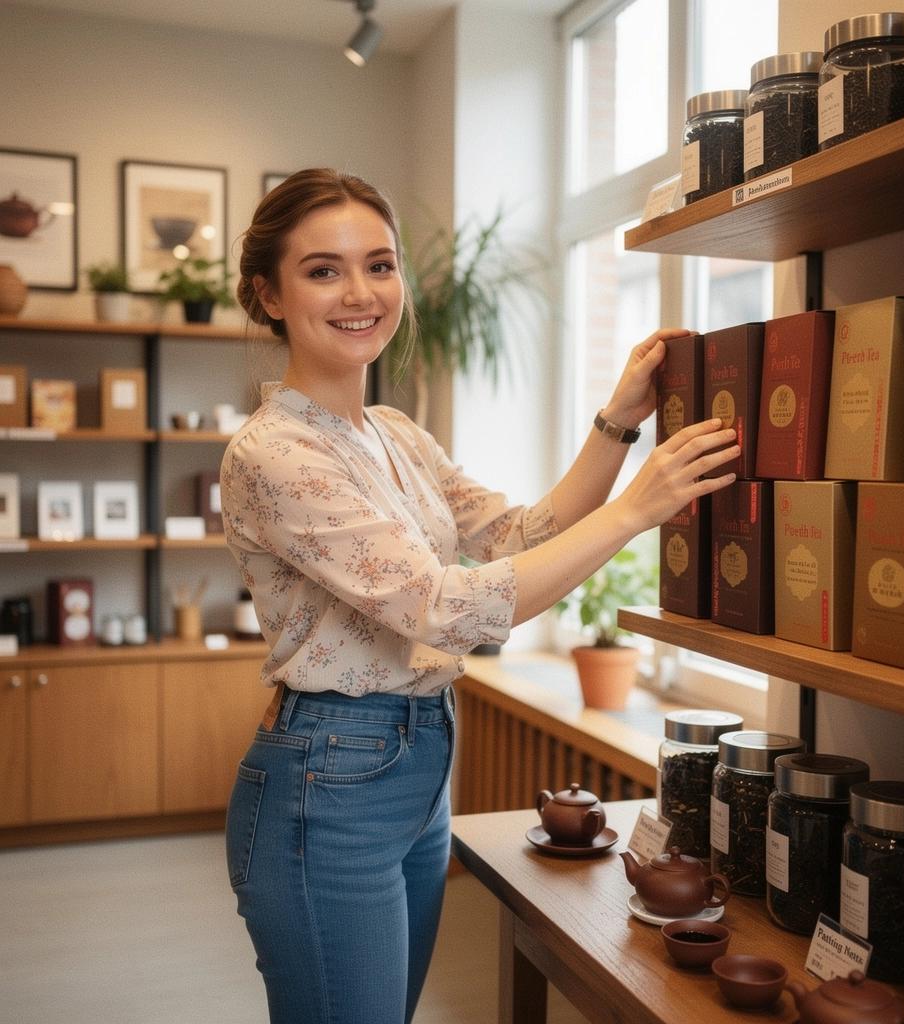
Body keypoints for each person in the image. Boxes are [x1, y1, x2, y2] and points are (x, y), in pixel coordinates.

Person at [220, 167, 740, 1024]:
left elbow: (517, 538)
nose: (360, 293)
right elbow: (442, 607)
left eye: (379, 265)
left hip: (419, 761)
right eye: (323, 270)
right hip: (330, 778)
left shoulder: (391, 433)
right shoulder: (273, 452)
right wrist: (641, 508)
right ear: (266, 295)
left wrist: (617, 423)